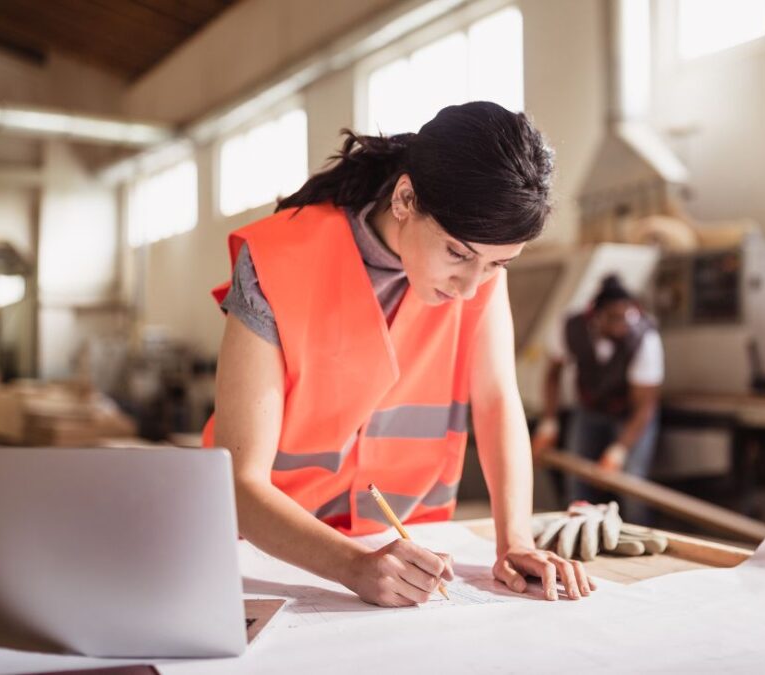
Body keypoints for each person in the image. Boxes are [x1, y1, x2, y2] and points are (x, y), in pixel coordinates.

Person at [204, 101, 593, 607]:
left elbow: (497, 401)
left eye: (499, 264)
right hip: (265, 556)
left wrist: (515, 539)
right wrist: (352, 565)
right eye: (458, 253)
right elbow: (240, 481)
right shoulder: (277, 260)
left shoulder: (479, 274)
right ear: (406, 198)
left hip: (409, 560)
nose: (471, 288)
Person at [531, 275, 663, 525]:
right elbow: (552, 374)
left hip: (631, 414)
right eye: (612, 318)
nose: (620, 325)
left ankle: (638, 537)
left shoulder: (645, 338)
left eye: (625, 317)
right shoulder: (571, 326)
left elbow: (645, 404)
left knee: (633, 482)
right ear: (595, 314)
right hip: (590, 408)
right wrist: (549, 422)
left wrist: (619, 450)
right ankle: (578, 536)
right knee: (578, 481)